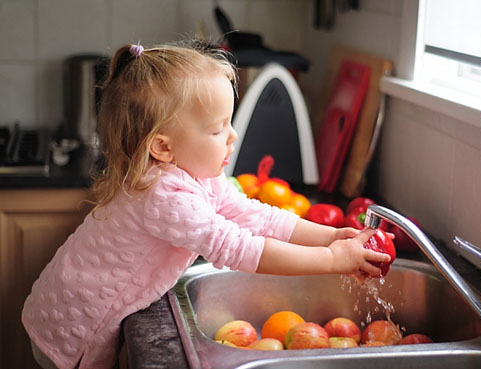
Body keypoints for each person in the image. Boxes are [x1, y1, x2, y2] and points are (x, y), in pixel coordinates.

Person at [21, 41, 390, 369]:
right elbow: (240, 248)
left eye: (229, 122)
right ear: (163, 147)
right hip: (74, 327)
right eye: (217, 129)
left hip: (82, 308)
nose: (233, 136)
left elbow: (255, 216)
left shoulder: (199, 174)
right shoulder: (164, 196)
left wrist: (330, 237)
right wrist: (332, 261)